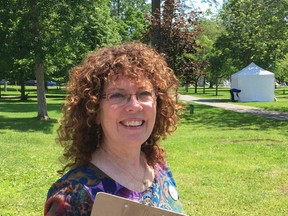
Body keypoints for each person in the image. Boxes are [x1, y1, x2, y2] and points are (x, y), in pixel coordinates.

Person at [44, 42, 184, 215]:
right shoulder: (74, 196)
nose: (134, 105)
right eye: (117, 95)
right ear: (94, 109)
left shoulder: (159, 167)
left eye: (144, 93)